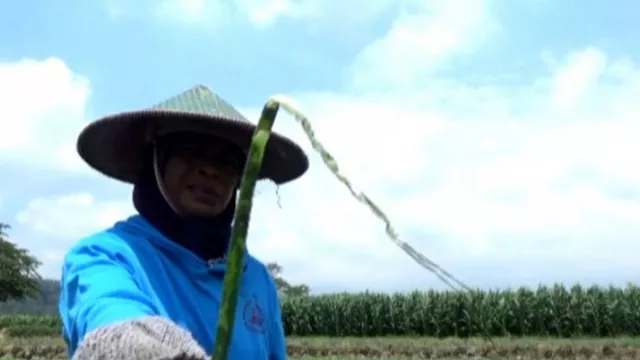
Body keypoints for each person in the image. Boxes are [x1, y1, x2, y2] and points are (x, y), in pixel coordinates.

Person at [58, 85, 309, 360]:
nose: (210, 169)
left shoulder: (256, 278)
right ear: (156, 161)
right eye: (190, 150)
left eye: (226, 160)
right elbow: (113, 319)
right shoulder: (105, 256)